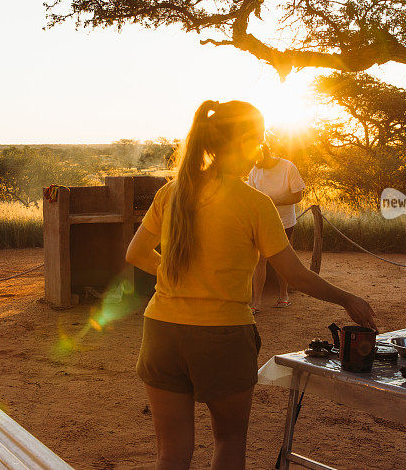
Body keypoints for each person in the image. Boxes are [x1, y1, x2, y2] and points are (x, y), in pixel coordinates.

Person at [125, 100, 377, 470]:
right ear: (244, 141)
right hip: (222, 336)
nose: (261, 147)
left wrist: (174, 274)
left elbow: (136, 253)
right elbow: (293, 274)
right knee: (228, 441)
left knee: (171, 454)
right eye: (258, 138)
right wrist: (347, 299)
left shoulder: (172, 192)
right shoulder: (255, 203)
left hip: (161, 330)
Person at [247, 144, 305, 312]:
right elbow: (251, 196)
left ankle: (283, 295)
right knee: (260, 259)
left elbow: (297, 195)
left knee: (281, 258)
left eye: (258, 159)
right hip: (261, 221)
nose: (256, 163)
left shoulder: (288, 167)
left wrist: (269, 201)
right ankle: (256, 303)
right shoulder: (255, 170)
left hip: (284, 221)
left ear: (267, 154)